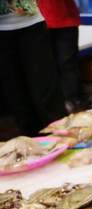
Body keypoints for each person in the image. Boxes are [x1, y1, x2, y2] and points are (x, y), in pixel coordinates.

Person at [0, 0, 66, 136]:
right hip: (2, 34)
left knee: (47, 94)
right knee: (18, 99)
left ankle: (63, 140)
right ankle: (33, 147)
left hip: (32, 25)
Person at [38, 0, 92, 113]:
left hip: (65, 19)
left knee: (67, 64)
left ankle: (74, 101)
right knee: (59, 65)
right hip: (39, 21)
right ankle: (77, 99)